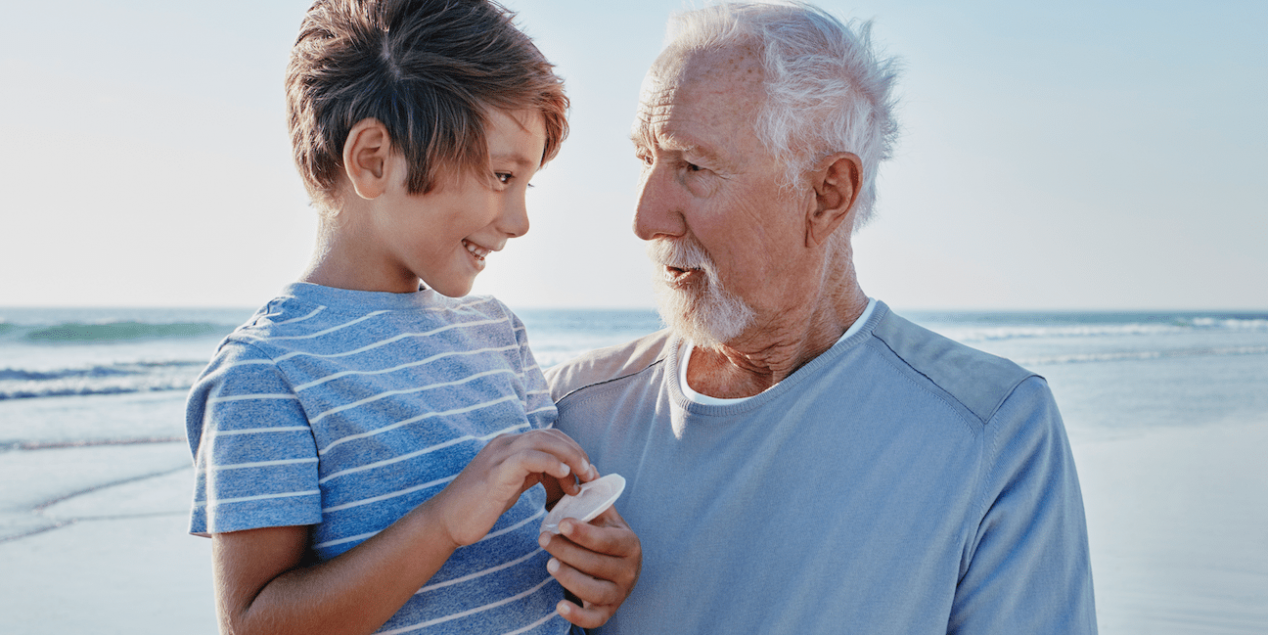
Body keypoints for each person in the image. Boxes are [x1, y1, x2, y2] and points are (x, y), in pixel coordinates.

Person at [546, 3, 1096, 633]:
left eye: (693, 168)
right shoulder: (566, 417)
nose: (646, 219)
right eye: (646, 160)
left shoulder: (993, 432)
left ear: (829, 193)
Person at [184, 2, 639, 634]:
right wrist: (444, 521)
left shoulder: (496, 334)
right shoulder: (267, 372)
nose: (518, 220)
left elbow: (561, 524)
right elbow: (256, 623)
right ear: (373, 159)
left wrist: (602, 560)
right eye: (501, 175)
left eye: (525, 187)